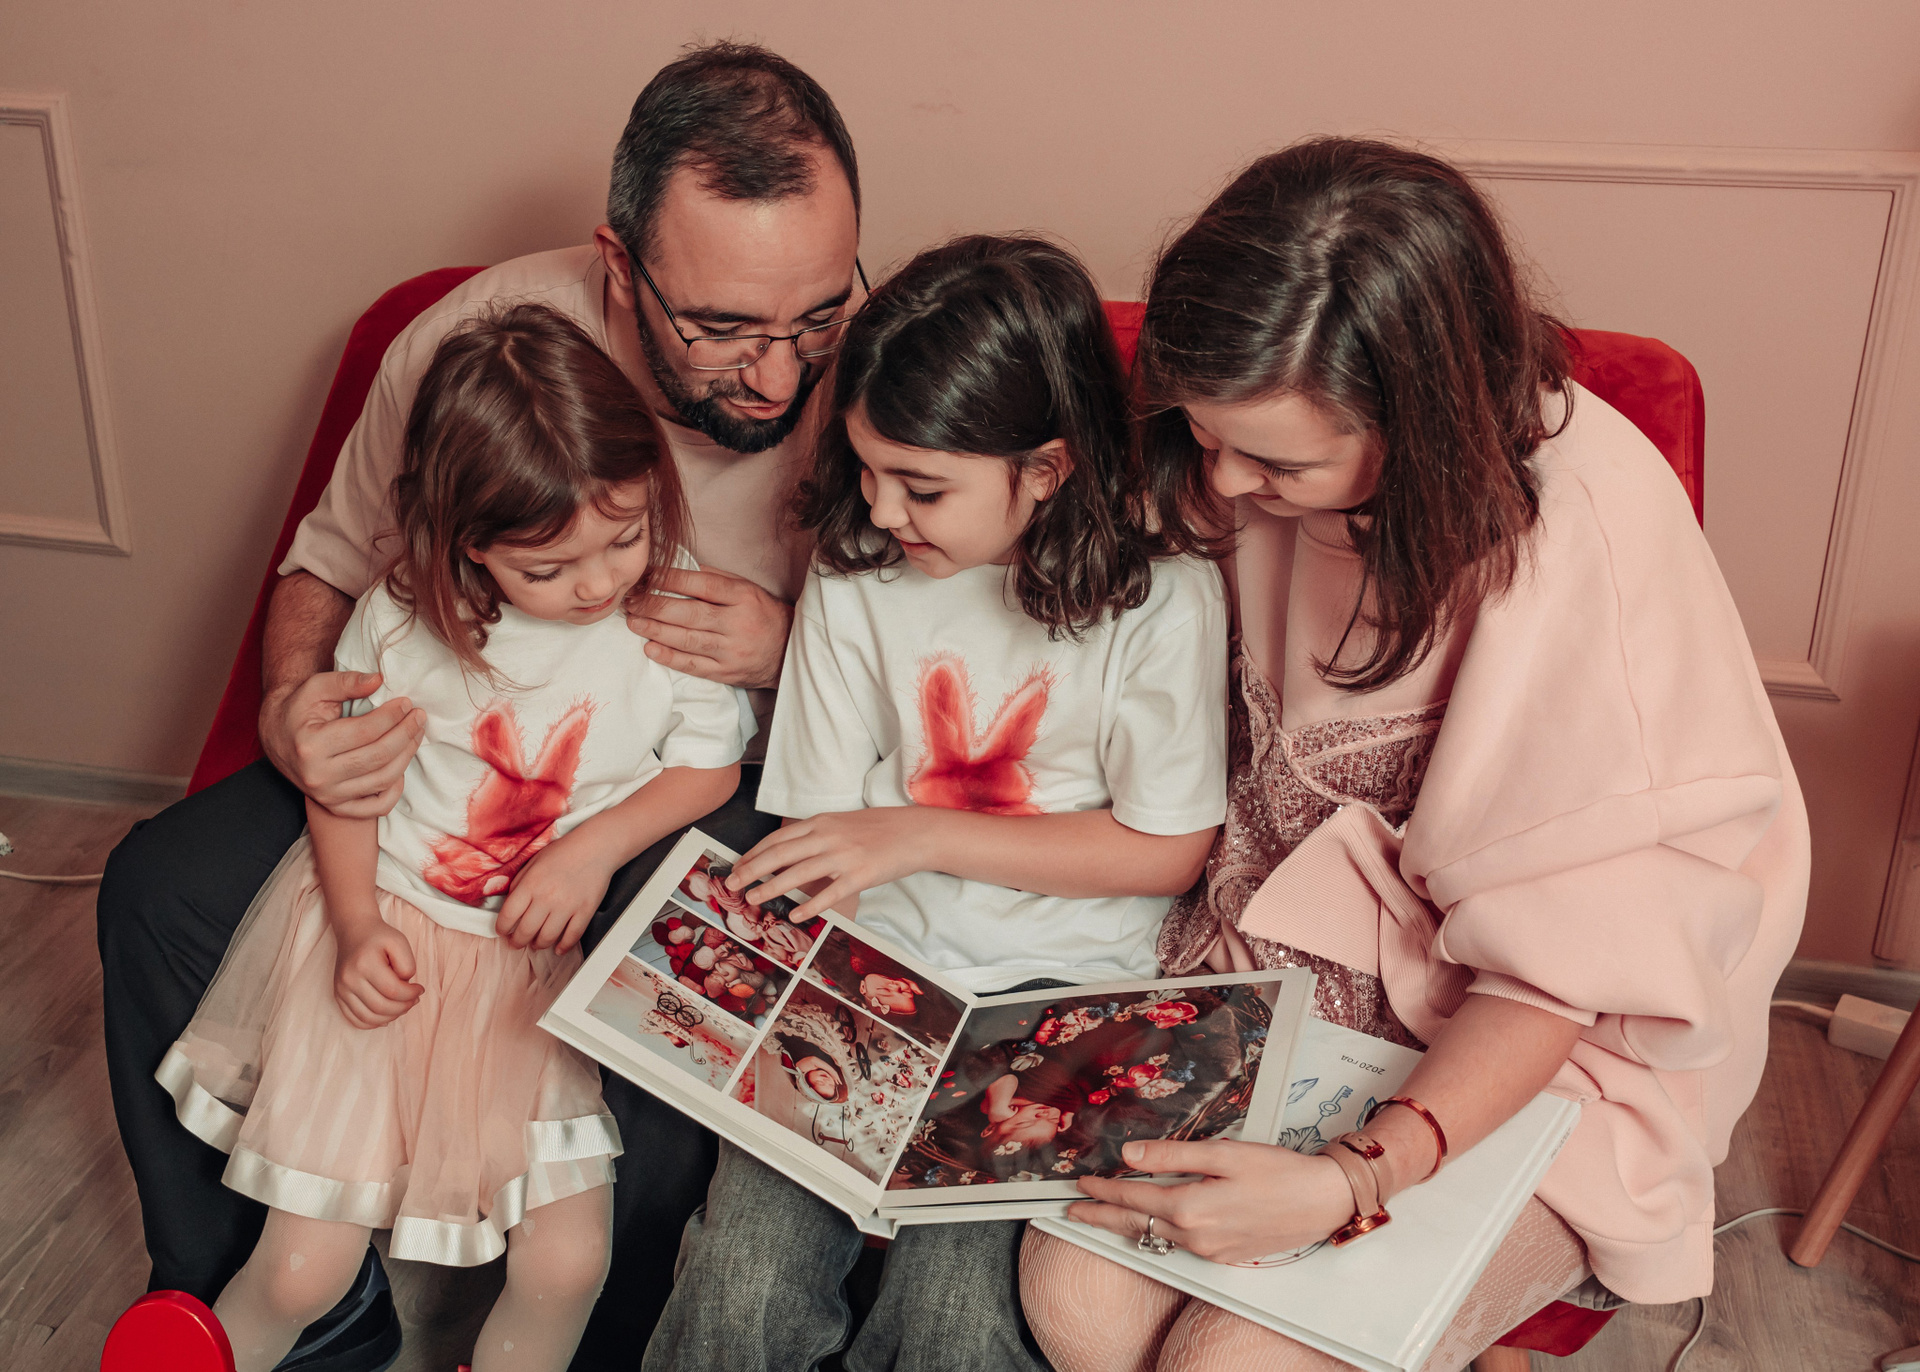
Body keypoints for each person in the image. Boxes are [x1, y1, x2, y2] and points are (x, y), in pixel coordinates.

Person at [96, 41, 862, 1369]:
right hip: (451, 748)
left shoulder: (889, 366)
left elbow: (968, 670)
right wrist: (293, 712)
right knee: (156, 886)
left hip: (720, 769)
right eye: (723, 329)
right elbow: (332, 562)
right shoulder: (472, 341)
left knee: (664, 957)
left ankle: (599, 1335)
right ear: (620, 265)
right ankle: (263, 1314)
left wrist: (792, 649)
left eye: (817, 318)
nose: (779, 378)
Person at [1018, 138, 1810, 1372]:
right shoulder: (1247, 459)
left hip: (1545, 1048)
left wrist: (1349, 1180)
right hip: (1271, 972)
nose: (1224, 481)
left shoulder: (1580, 543)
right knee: (1075, 1303)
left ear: (1419, 418)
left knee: (1236, 1362)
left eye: (1275, 460)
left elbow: (1556, 984)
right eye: (1204, 434)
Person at [642, 234, 1231, 1372]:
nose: (883, 507)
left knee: (956, 1316)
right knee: (740, 1279)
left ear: (1048, 468)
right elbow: (818, 828)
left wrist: (915, 834)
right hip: (876, 970)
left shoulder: (1164, 598)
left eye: (922, 486)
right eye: (866, 468)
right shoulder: (857, 568)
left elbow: (1166, 850)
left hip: (1066, 994)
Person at [155, 304, 744, 1372]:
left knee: (567, 1264)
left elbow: (709, 766)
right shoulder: (402, 621)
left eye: (624, 537)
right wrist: (352, 924)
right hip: (392, 939)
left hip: (533, 976)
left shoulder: (664, 610)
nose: (599, 582)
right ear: (468, 542)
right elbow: (349, 787)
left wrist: (592, 850)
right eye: (549, 568)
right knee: (302, 1269)